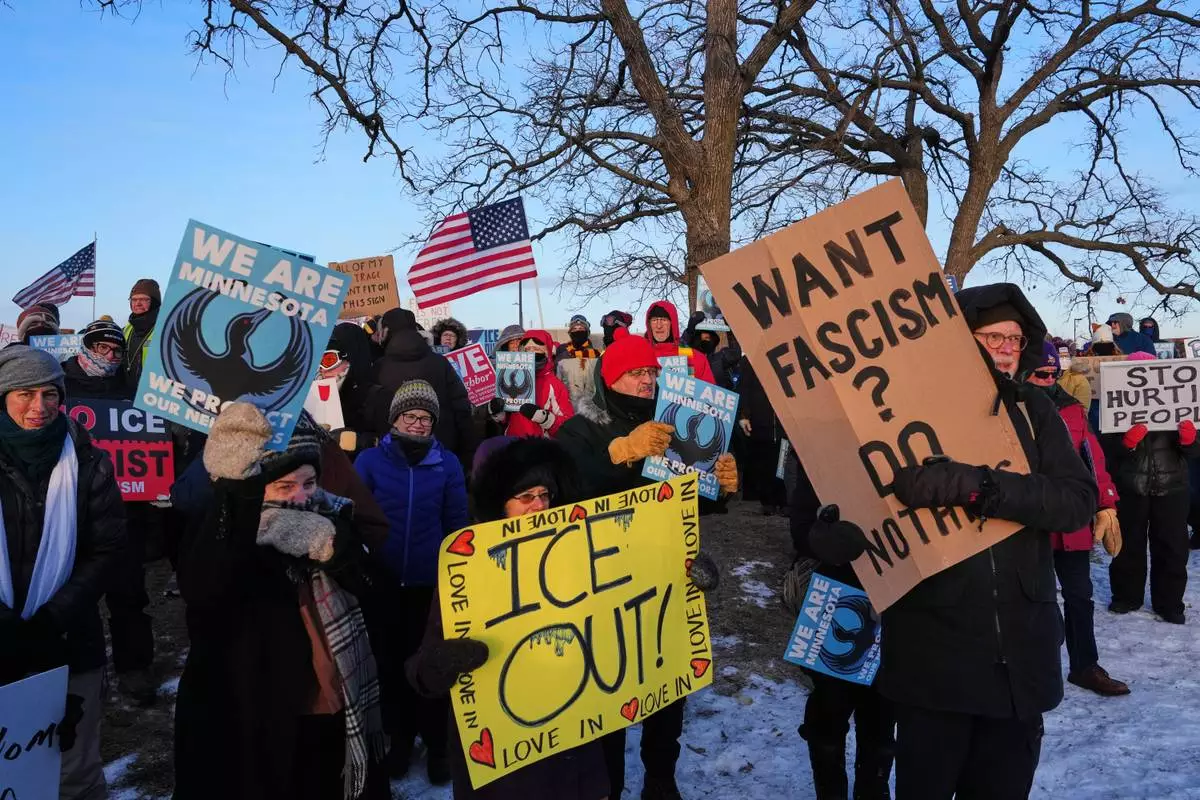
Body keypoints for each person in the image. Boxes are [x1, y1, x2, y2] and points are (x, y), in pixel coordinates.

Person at [808, 283, 1096, 800]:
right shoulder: (901, 413)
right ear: (959, 341)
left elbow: (1076, 501)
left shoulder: (1035, 410)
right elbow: (855, 510)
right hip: (933, 660)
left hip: (1019, 659)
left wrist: (979, 485)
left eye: (1015, 339)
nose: (1008, 349)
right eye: (993, 338)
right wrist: (831, 539)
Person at [174, 402, 388, 800]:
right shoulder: (226, 534)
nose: (300, 498)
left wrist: (334, 549)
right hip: (255, 718)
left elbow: (377, 591)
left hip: (331, 712)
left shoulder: (335, 518)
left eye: (308, 484)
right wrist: (236, 493)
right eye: (284, 487)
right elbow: (205, 590)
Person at [557, 328, 728, 800]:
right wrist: (623, 452)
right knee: (608, 686)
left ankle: (660, 776)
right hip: (604, 577)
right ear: (611, 377)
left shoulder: (675, 422)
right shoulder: (580, 429)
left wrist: (722, 485)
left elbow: (693, 495)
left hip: (666, 568)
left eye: (651, 372)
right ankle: (606, 783)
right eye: (635, 373)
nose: (645, 380)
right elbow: (569, 489)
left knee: (668, 680)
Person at [404, 436, 611, 800]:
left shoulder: (580, 557)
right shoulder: (465, 572)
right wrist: (441, 662)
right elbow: (421, 670)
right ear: (499, 504)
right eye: (525, 497)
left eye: (544, 495)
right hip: (503, 763)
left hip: (570, 751)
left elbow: (633, 604)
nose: (538, 507)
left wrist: (684, 574)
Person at [0, 345, 127, 800]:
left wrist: (56, 616)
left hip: (69, 642)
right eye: (24, 394)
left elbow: (108, 550)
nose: (39, 407)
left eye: (50, 394)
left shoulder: (88, 461)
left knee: (71, 767)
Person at [354, 380, 469, 783]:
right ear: (395, 419)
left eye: (425, 418)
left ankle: (438, 746)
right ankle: (399, 741)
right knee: (390, 666)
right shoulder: (369, 462)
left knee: (432, 666)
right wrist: (365, 563)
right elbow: (356, 518)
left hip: (431, 586)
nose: (418, 424)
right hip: (383, 585)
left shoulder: (448, 463)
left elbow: (457, 524)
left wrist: (455, 574)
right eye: (410, 416)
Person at [60, 319, 161, 706]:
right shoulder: (60, 389)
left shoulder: (131, 392)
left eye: (117, 351)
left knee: (130, 596)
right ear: (85, 347)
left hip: (124, 512)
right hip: (71, 511)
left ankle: (134, 669)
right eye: (101, 348)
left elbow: (151, 446)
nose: (110, 356)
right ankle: (73, 675)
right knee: (73, 598)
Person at [1026, 343, 1129, 695]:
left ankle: (1085, 665)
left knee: (1079, 596)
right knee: (1033, 601)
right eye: (1042, 373)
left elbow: (1093, 459)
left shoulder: (1070, 409)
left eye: (1055, 373)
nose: (1050, 380)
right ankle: (1032, 668)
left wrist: (1107, 503)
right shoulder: (1008, 408)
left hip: (1070, 521)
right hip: (1028, 522)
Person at [790, 460, 894, 799]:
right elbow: (802, 527)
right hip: (837, 596)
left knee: (881, 717)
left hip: (895, 599)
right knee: (828, 713)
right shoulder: (824, 449)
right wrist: (824, 539)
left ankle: (873, 791)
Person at [1103, 351, 1198, 624]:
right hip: (1131, 486)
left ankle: (1169, 604)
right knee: (1128, 545)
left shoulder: (1182, 405)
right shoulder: (1115, 409)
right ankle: (1126, 597)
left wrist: (1189, 440)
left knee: (1172, 547)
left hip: (1172, 487)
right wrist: (1125, 443)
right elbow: (1106, 453)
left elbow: (1196, 451)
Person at [372, 308, 476, 470]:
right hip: (441, 457)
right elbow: (462, 410)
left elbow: (371, 416)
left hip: (391, 462)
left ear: (385, 331)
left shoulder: (378, 368)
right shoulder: (440, 363)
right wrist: (468, 456)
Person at [489, 330, 575, 438]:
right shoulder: (514, 376)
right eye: (528, 350)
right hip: (513, 445)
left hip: (540, 448)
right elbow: (510, 418)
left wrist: (546, 419)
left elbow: (568, 424)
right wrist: (500, 412)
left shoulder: (554, 384)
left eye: (537, 349)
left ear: (546, 352)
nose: (532, 353)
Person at [735, 355, 788, 515]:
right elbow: (744, 388)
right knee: (763, 462)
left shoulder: (786, 354)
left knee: (783, 462)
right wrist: (744, 415)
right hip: (761, 419)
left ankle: (783, 500)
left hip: (784, 420)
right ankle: (768, 500)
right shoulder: (750, 359)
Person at [643, 302, 715, 383]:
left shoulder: (694, 358)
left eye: (663, 320)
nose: (659, 326)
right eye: (654, 320)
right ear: (649, 324)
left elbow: (708, 392)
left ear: (672, 323)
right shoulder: (641, 356)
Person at [123, 278, 161, 390]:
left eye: (144, 299)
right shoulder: (127, 329)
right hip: (126, 397)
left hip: (153, 396)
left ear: (154, 302)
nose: (138, 303)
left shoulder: (164, 328)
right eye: (134, 300)